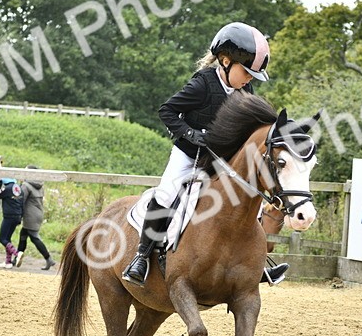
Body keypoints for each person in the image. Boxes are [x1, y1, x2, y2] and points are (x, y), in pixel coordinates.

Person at [121, 21, 289, 288]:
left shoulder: (245, 91)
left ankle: (257, 265)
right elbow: (167, 111)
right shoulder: (202, 85)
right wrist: (189, 133)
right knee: (166, 193)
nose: (249, 80)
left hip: (222, 160)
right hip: (188, 155)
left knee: (247, 195)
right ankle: (141, 258)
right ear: (225, 60)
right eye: (246, 73)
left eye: (252, 77)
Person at [15, 165, 54, 271]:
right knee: (23, 234)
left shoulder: (26, 185)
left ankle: (49, 258)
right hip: (38, 213)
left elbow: (21, 200)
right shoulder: (40, 185)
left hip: (30, 215)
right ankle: (17, 257)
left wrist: (18, 214)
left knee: (34, 237)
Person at [0, 177, 24, 268]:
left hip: (9, 217)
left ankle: (17, 254)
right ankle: (8, 261)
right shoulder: (19, 188)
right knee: (7, 239)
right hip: (17, 216)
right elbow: (23, 204)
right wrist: (21, 217)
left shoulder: (7, 188)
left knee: (2, 239)